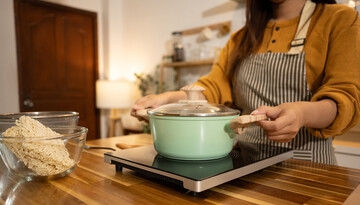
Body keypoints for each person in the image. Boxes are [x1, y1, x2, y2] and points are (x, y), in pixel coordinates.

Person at [131, 0, 360, 164]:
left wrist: (302, 113)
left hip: (307, 169)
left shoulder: (339, 19)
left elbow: (346, 98)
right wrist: (167, 100)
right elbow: (211, 89)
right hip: (245, 167)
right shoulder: (240, 38)